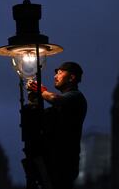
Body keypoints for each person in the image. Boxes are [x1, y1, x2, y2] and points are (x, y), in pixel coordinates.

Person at [27, 61, 87, 189]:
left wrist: (41, 91)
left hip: (63, 163)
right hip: (51, 162)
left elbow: (55, 99)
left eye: (60, 73)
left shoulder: (76, 97)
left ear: (71, 78)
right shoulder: (64, 103)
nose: (55, 76)